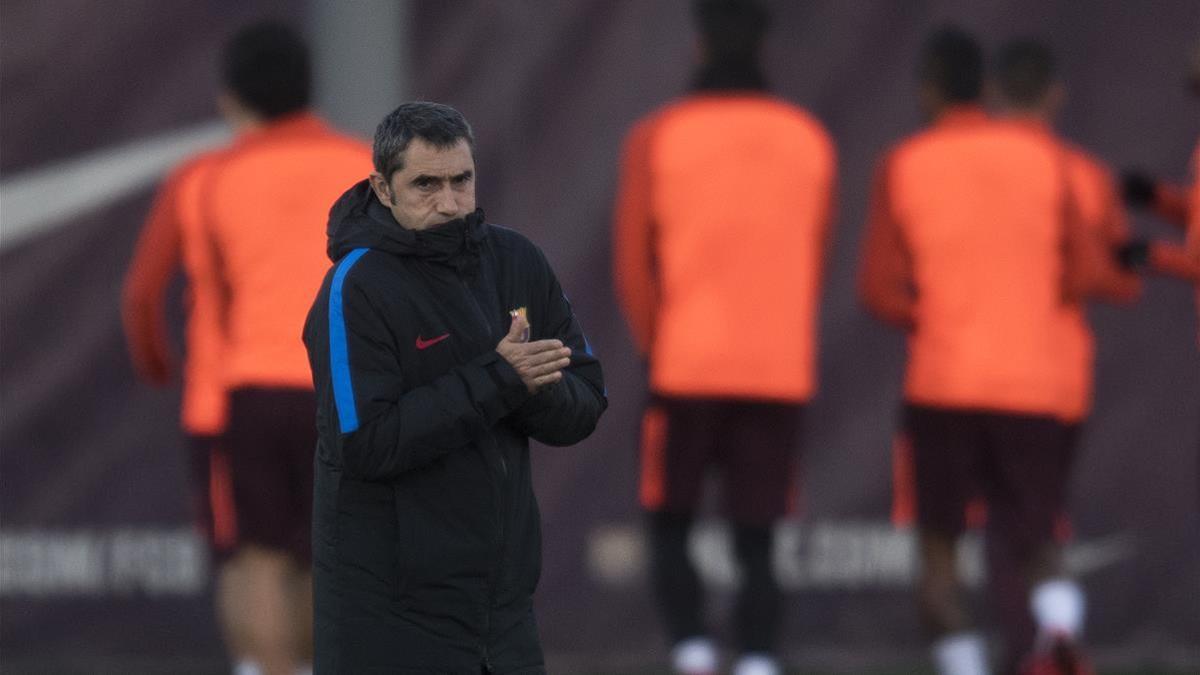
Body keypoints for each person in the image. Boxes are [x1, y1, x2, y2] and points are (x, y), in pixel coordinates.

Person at [302, 101, 606, 674]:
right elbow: (365, 443)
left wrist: (528, 385)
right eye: (425, 184)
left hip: (503, 616)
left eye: (461, 180)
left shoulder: (517, 260)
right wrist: (500, 377)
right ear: (382, 188)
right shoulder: (355, 287)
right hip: (390, 622)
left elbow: (586, 403)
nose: (448, 202)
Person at [122, 21, 372, 675]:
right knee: (328, 551)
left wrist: (157, 365)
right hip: (344, 389)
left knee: (252, 554)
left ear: (232, 97)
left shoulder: (201, 178)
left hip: (238, 394)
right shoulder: (365, 169)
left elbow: (142, 296)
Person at [858, 27, 1104, 675]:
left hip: (943, 384)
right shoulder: (1044, 159)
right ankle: (1057, 628)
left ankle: (966, 666)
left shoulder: (906, 162)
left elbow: (879, 290)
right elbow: (1086, 273)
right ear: (987, 88)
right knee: (1034, 536)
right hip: (1030, 384)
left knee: (939, 550)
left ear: (928, 89)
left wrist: (937, 309)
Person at [612, 1, 836, 673]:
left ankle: (692, 651)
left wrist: (658, 344)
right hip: (776, 369)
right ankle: (759, 658)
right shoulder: (808, 139)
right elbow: (813, 258)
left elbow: (632, 264)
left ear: (699, 45)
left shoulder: (658, 136)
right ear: (765, 45)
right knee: (760, 532)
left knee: (670, 520)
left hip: (684, 367)